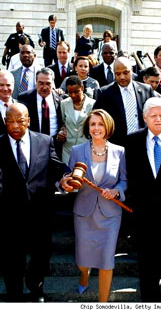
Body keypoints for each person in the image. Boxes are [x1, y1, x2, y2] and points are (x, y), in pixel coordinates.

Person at [0, 103, 70, 302]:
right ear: (5, 122)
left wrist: (66, 176)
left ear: (28, 121)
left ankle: (35, 285)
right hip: (9, 214)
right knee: (12, 259)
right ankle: (14, 296)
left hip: (39, 212)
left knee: (41, 257)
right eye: (10, 121)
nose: (15, 126)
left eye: (20, 121)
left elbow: (56, 165)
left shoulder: (44, 141)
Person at [60, 109, 127, 302]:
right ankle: (84, 273)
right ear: (87, 128)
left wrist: (116, 191)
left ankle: (102, 303)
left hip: (110, 215)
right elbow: (69, 180)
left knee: (107, 261)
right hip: (84, 212)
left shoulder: (119, 151)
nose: (96, 128)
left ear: (108, 127)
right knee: (82, 260)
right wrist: (64, 183)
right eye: (92, 124)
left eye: (100, 124)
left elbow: (124, 181)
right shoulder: (77, 151)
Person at [125, 97, 161, 302]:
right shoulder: (132, 141)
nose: (157, 119)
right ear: (144, 117)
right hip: (143, 216)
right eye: (153, 115)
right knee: (146, 268)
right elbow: (128, 175)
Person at [93, 56, 156, 147]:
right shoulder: (105, 93)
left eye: (126, 72)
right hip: (115, 145)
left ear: (132, 70)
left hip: (142, 144)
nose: (122, 77)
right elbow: (96, 118)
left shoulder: (145, 90)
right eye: (118, 74)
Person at [17, 67, 63, 158]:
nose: (44, 87)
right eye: (41, 83)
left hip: (55, 144)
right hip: (33, 144)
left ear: (53, 83)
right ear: (35, 82)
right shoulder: (24, 98)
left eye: (48, 83)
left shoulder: (61, 99)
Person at [57, 75, 95, 164]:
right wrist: (61, 133)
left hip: (86, 149)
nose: (73, 95)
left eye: (76, 92)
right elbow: (62, 123)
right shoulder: (64, 104)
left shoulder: (93, 104)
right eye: (70, 92)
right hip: (68, 150)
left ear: (82, 87)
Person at [0, 70, 16, 135]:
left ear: (13, 86)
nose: (5, 88)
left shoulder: (22, 106)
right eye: (1, 85)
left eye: (8, 85)